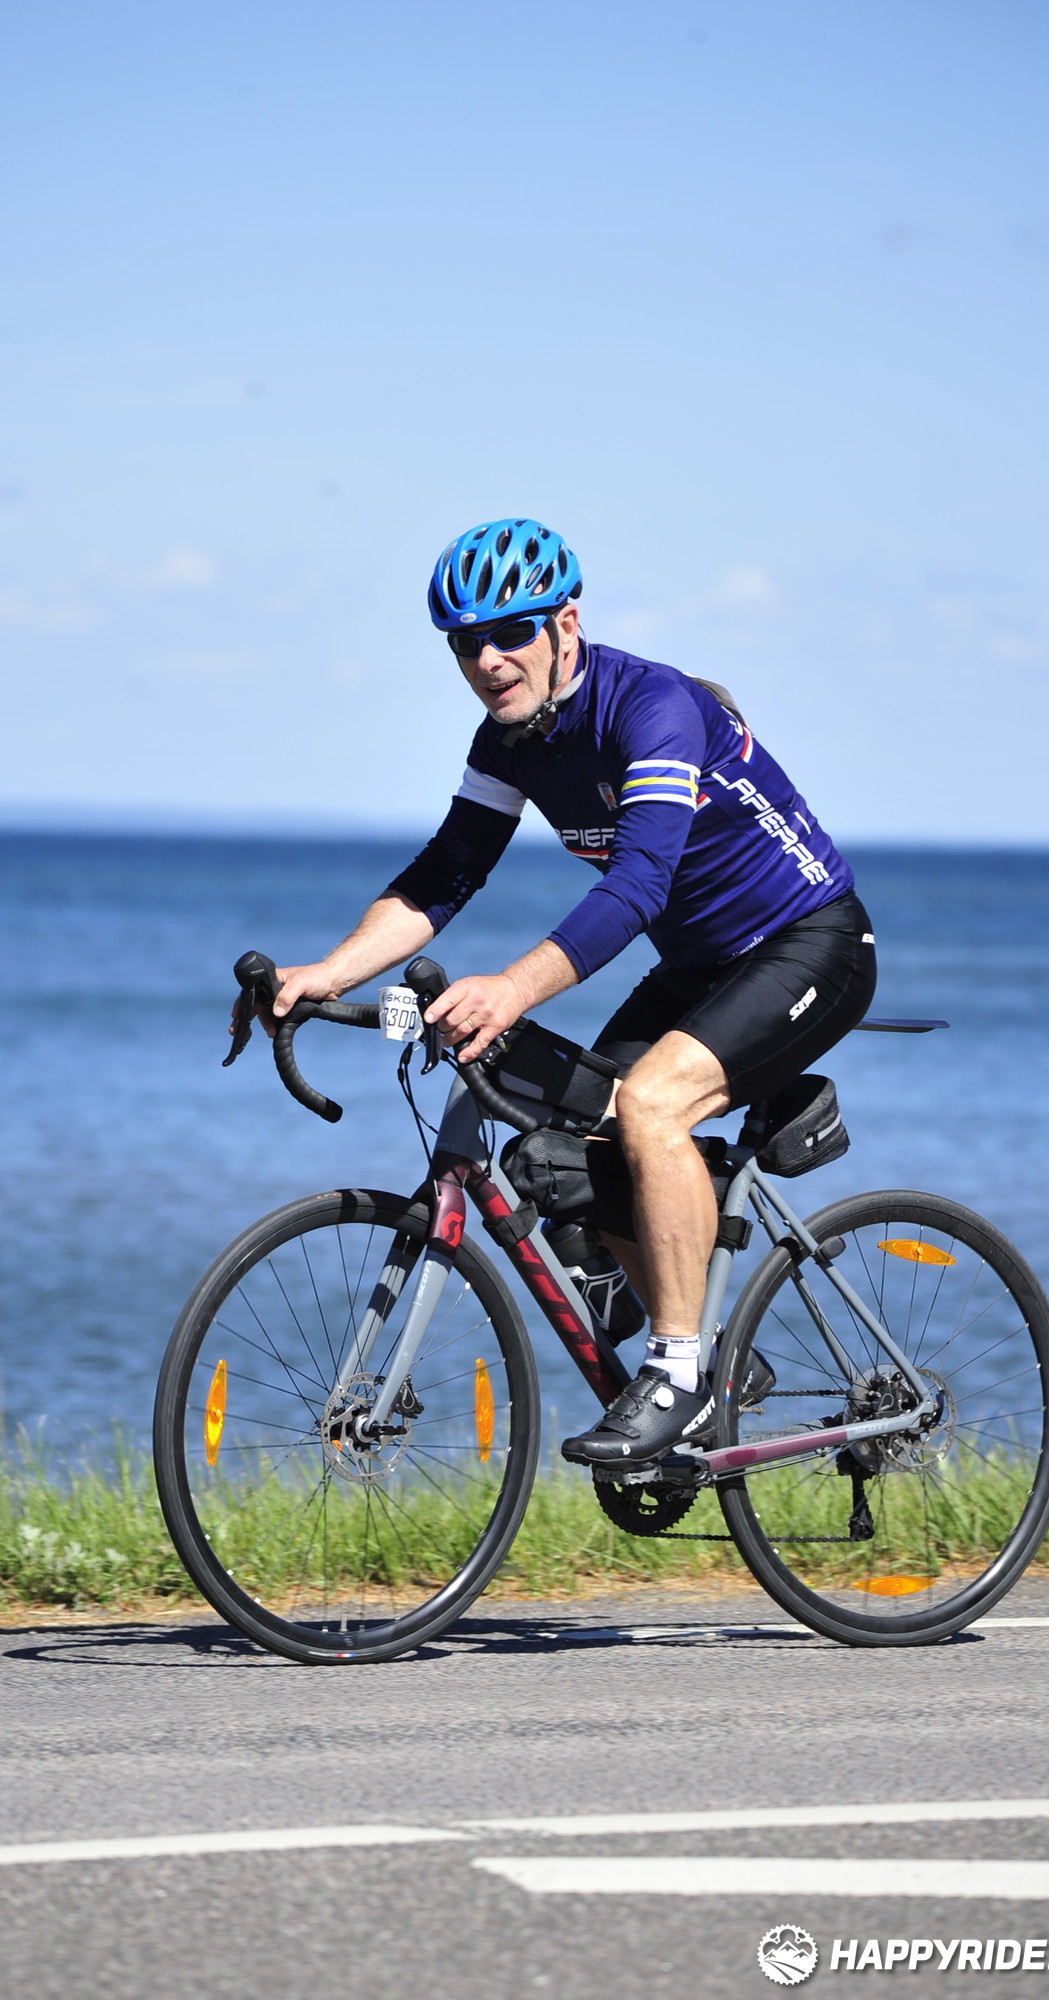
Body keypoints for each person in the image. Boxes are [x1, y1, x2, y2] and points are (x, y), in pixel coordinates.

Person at [266, 518, 877, 1464]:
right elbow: (446, 873)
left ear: (566, 625)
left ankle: (676, 1373)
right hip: (702, 969)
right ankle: (718, 1361)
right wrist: (326, 974)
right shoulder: (508, 741)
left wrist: (512, 989)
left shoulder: (653, 709)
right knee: (571, 1142)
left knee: (651, 1105)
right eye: (466, 643)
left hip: (810, 943)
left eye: (511, 633)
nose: (488, 660)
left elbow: (637, 887)